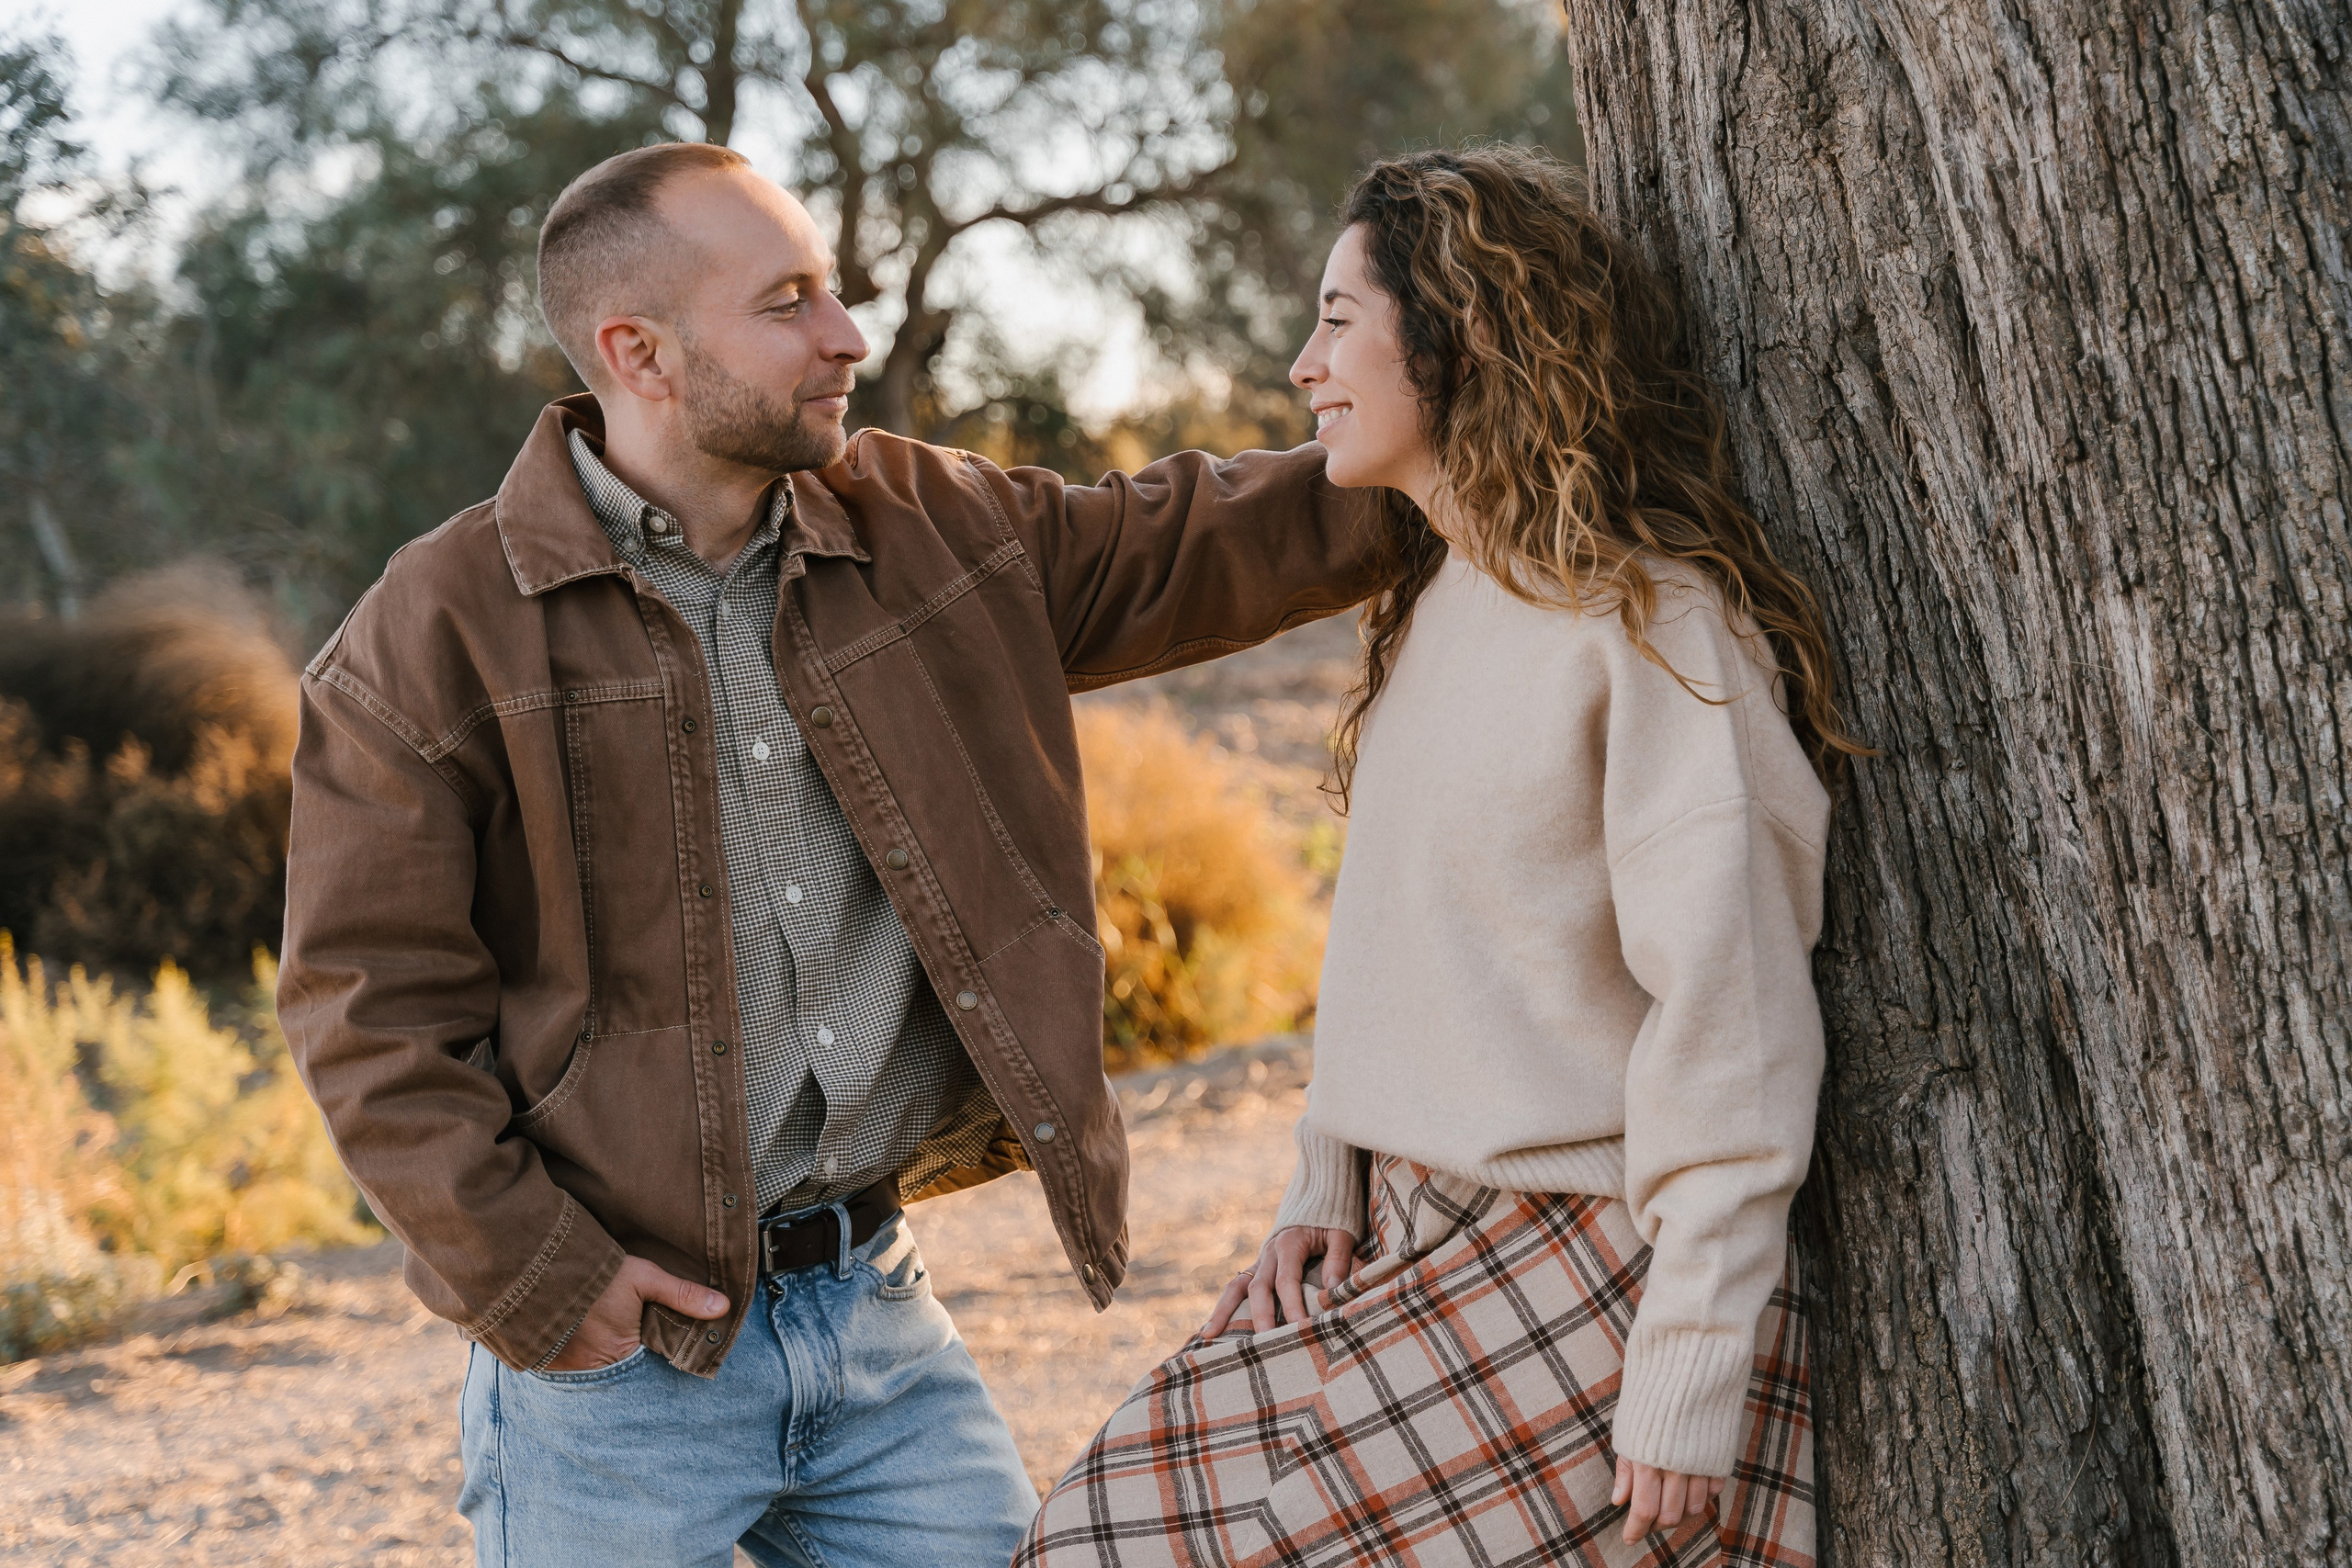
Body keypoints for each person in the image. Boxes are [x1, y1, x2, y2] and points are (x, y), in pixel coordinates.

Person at [276, 141, 1381, 1568]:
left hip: (875, 1312)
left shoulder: (931, 527)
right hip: (620, 1375)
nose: (848, 334)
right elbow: (368, 1007)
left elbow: (1203, 540)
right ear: (638, 352)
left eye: (832, 290)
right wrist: (541, 1281)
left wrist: (1460, 444)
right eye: (787, 301)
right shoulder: (435, 630)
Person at [1017, 144, 1864, 1568]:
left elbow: (1738, 1021)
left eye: (1339, 320)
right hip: (1408, 1227)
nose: (1304, 365)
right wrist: (1326, 1179)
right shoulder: (1434, 602)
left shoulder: (1652, 623)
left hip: (1595, 1259)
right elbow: (1405, 945)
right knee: (1088, 1530)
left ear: (1458, 335)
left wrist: (1689, 1367)